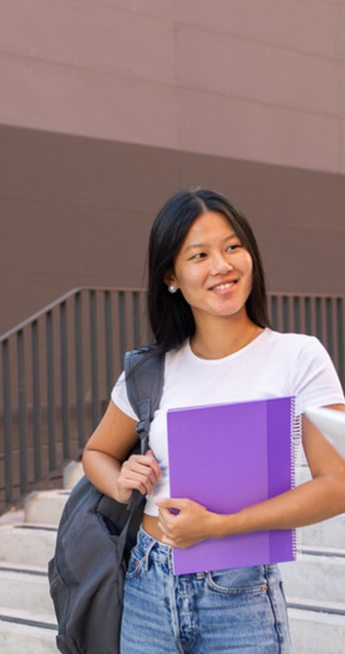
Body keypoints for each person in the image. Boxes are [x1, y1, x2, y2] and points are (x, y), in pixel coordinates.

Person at [82, 187, 345, 653]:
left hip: (241, 594)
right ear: (171, 276)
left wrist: (220, 526)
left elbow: (337, 484)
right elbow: (97, 453)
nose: (222, 266)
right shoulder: (151, 368)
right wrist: (120, 480)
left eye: (233, 247)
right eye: (200, 255)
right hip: (147, 584)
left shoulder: (298, 356)